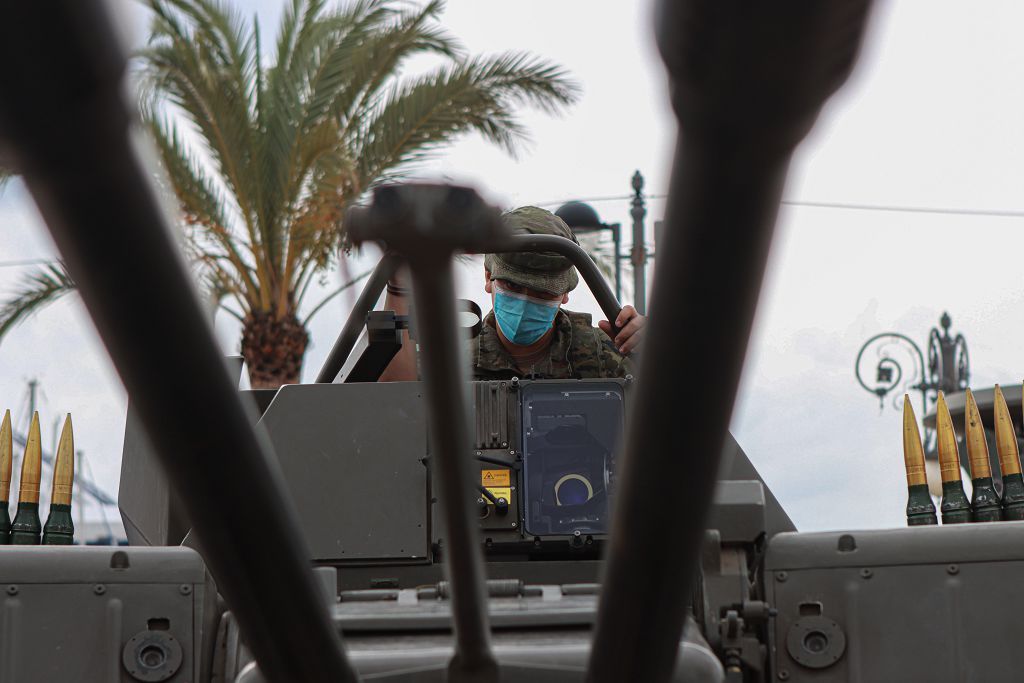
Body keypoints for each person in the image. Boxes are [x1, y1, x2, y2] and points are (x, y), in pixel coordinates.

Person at [378, 206, 645, 381]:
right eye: (513, 286)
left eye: (542, 292)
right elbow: (393, 411)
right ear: (488, 278)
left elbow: (668, 421)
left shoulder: (602, 355)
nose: (525, 301)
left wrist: (656, 353)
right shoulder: (451, 362)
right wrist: (399, 285)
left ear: (564, 294)